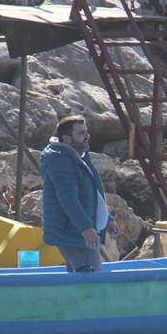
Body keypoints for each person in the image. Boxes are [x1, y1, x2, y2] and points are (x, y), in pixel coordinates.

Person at [40, 116, 119, 272]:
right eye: (81, 133)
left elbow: (92, 193)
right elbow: (68, 200)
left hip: (81, 233)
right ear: (67, 139)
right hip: (73, 235)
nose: (87, 136)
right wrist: (86, 228)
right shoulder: (61, 161)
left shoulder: (78, 156)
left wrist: (107, 219)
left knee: (81, 278)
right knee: (91, 281)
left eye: (87, 132)